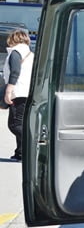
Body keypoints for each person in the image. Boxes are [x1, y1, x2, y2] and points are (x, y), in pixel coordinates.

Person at [3, 29, 34, 162]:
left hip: (19, 91)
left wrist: (9, 90)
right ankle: (20, 152)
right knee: (21, 122)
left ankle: (32, 146)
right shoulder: (30, 54)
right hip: (28, 92)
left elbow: (15, 72)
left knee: (15, 125)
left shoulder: (15, 52)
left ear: (13, 39)